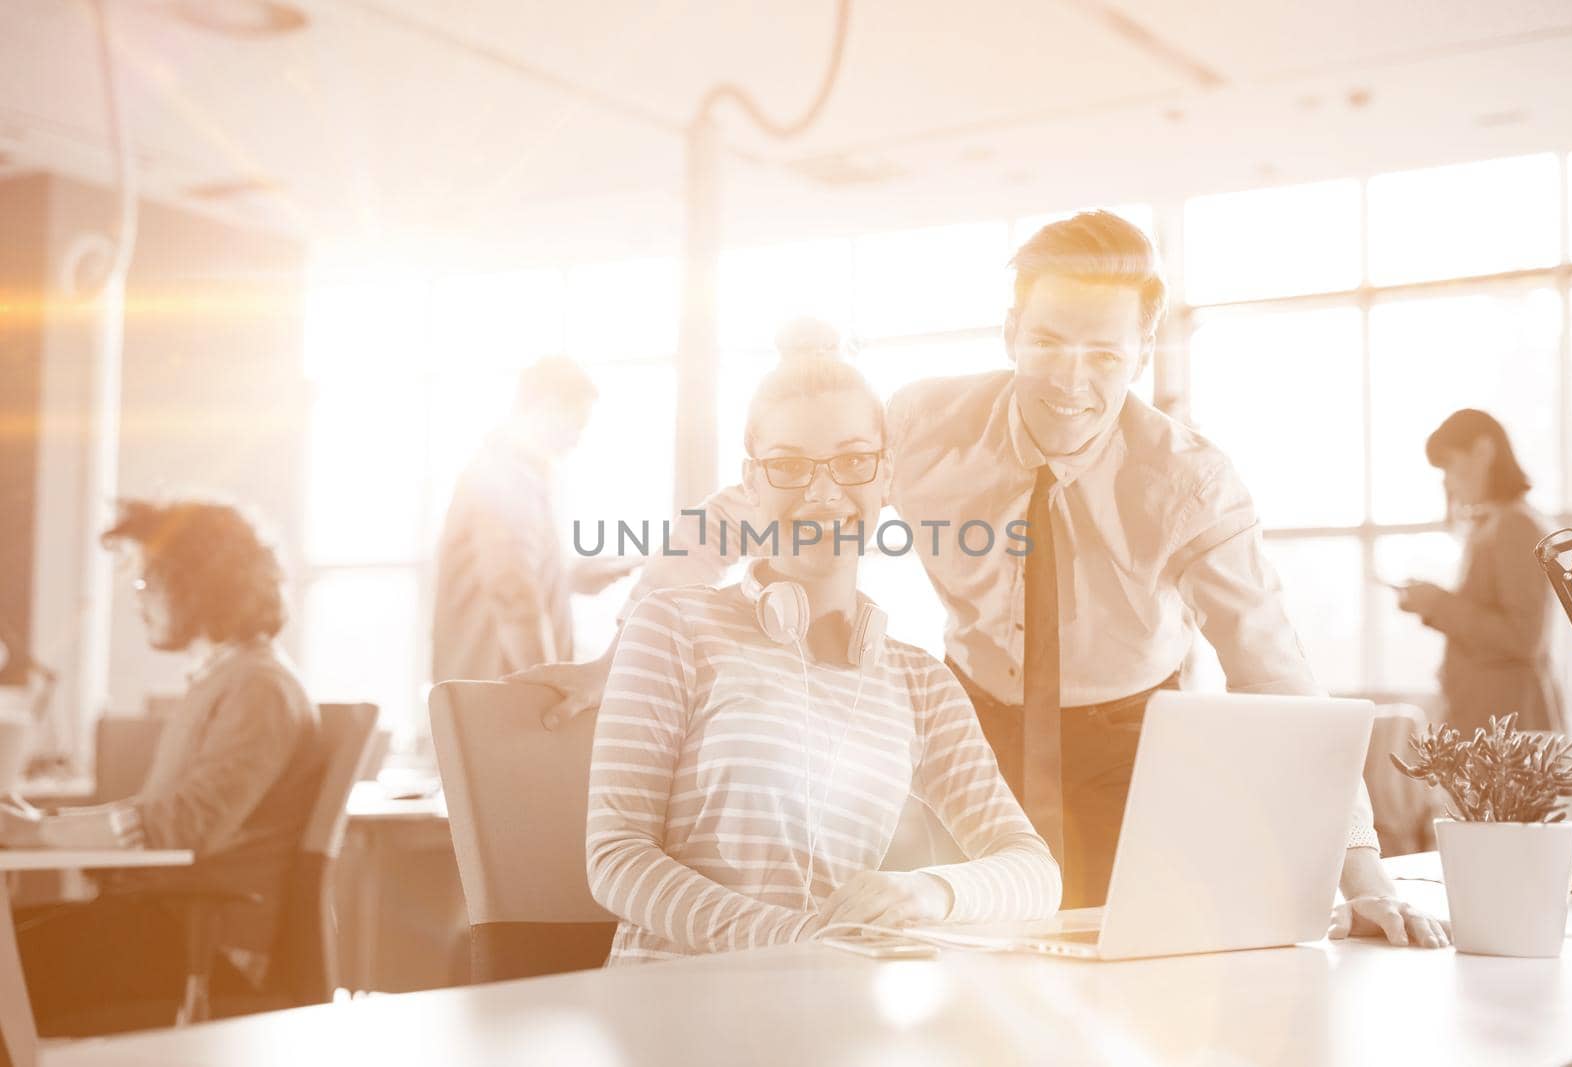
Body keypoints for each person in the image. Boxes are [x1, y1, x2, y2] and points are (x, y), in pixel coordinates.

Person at [531, 214, 1450, 948]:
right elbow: (751, 508)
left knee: (1131, 971)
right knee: (976, 970)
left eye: (1104, 354)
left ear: (1146, 344)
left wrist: (1364, 875)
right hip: (976, 718)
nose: (1072, 380)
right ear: (1012, 329)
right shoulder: (922, 426)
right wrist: (614, 663)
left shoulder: (1189, 483)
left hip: (1130, 740)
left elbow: (1279, 680)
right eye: (1048, 342)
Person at [586, 354, 1061, 964]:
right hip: (670, 1011)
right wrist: (796, 939)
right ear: (751, 484)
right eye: (788, 465)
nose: (824, 490)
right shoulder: (674, 626)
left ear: (885, 477)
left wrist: (925, 893)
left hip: (823, 1011)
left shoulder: (919, 684)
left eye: (853, 461)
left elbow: (1034, 872)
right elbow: (616, 856)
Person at [0, 498, 324, 1031]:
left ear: (198, 585)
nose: (138, 601)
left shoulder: (259, 688)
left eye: (149, 583)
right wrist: (42, 829)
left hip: (206, 946)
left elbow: (186, 825)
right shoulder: (225, 681)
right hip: (170, 924)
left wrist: (38, 833)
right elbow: (165, 821)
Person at [431, 356, 637, 683]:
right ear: (549, 405)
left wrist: (565, 580)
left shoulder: (513, 475)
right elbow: (511, 594)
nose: (577, 440)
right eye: (577, 425)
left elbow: (505, 576)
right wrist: (549, 688)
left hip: (493, 694)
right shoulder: (506, 475)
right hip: (497, 700)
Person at [1395, 409, 1565, 734]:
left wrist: (1437, 604)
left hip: (1512, 729)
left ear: (1484, 451)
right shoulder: (1492, 525)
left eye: (1449, 463)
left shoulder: (1516, 525)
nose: (1446, 480)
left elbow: (1525, 638)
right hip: (1491, 723)